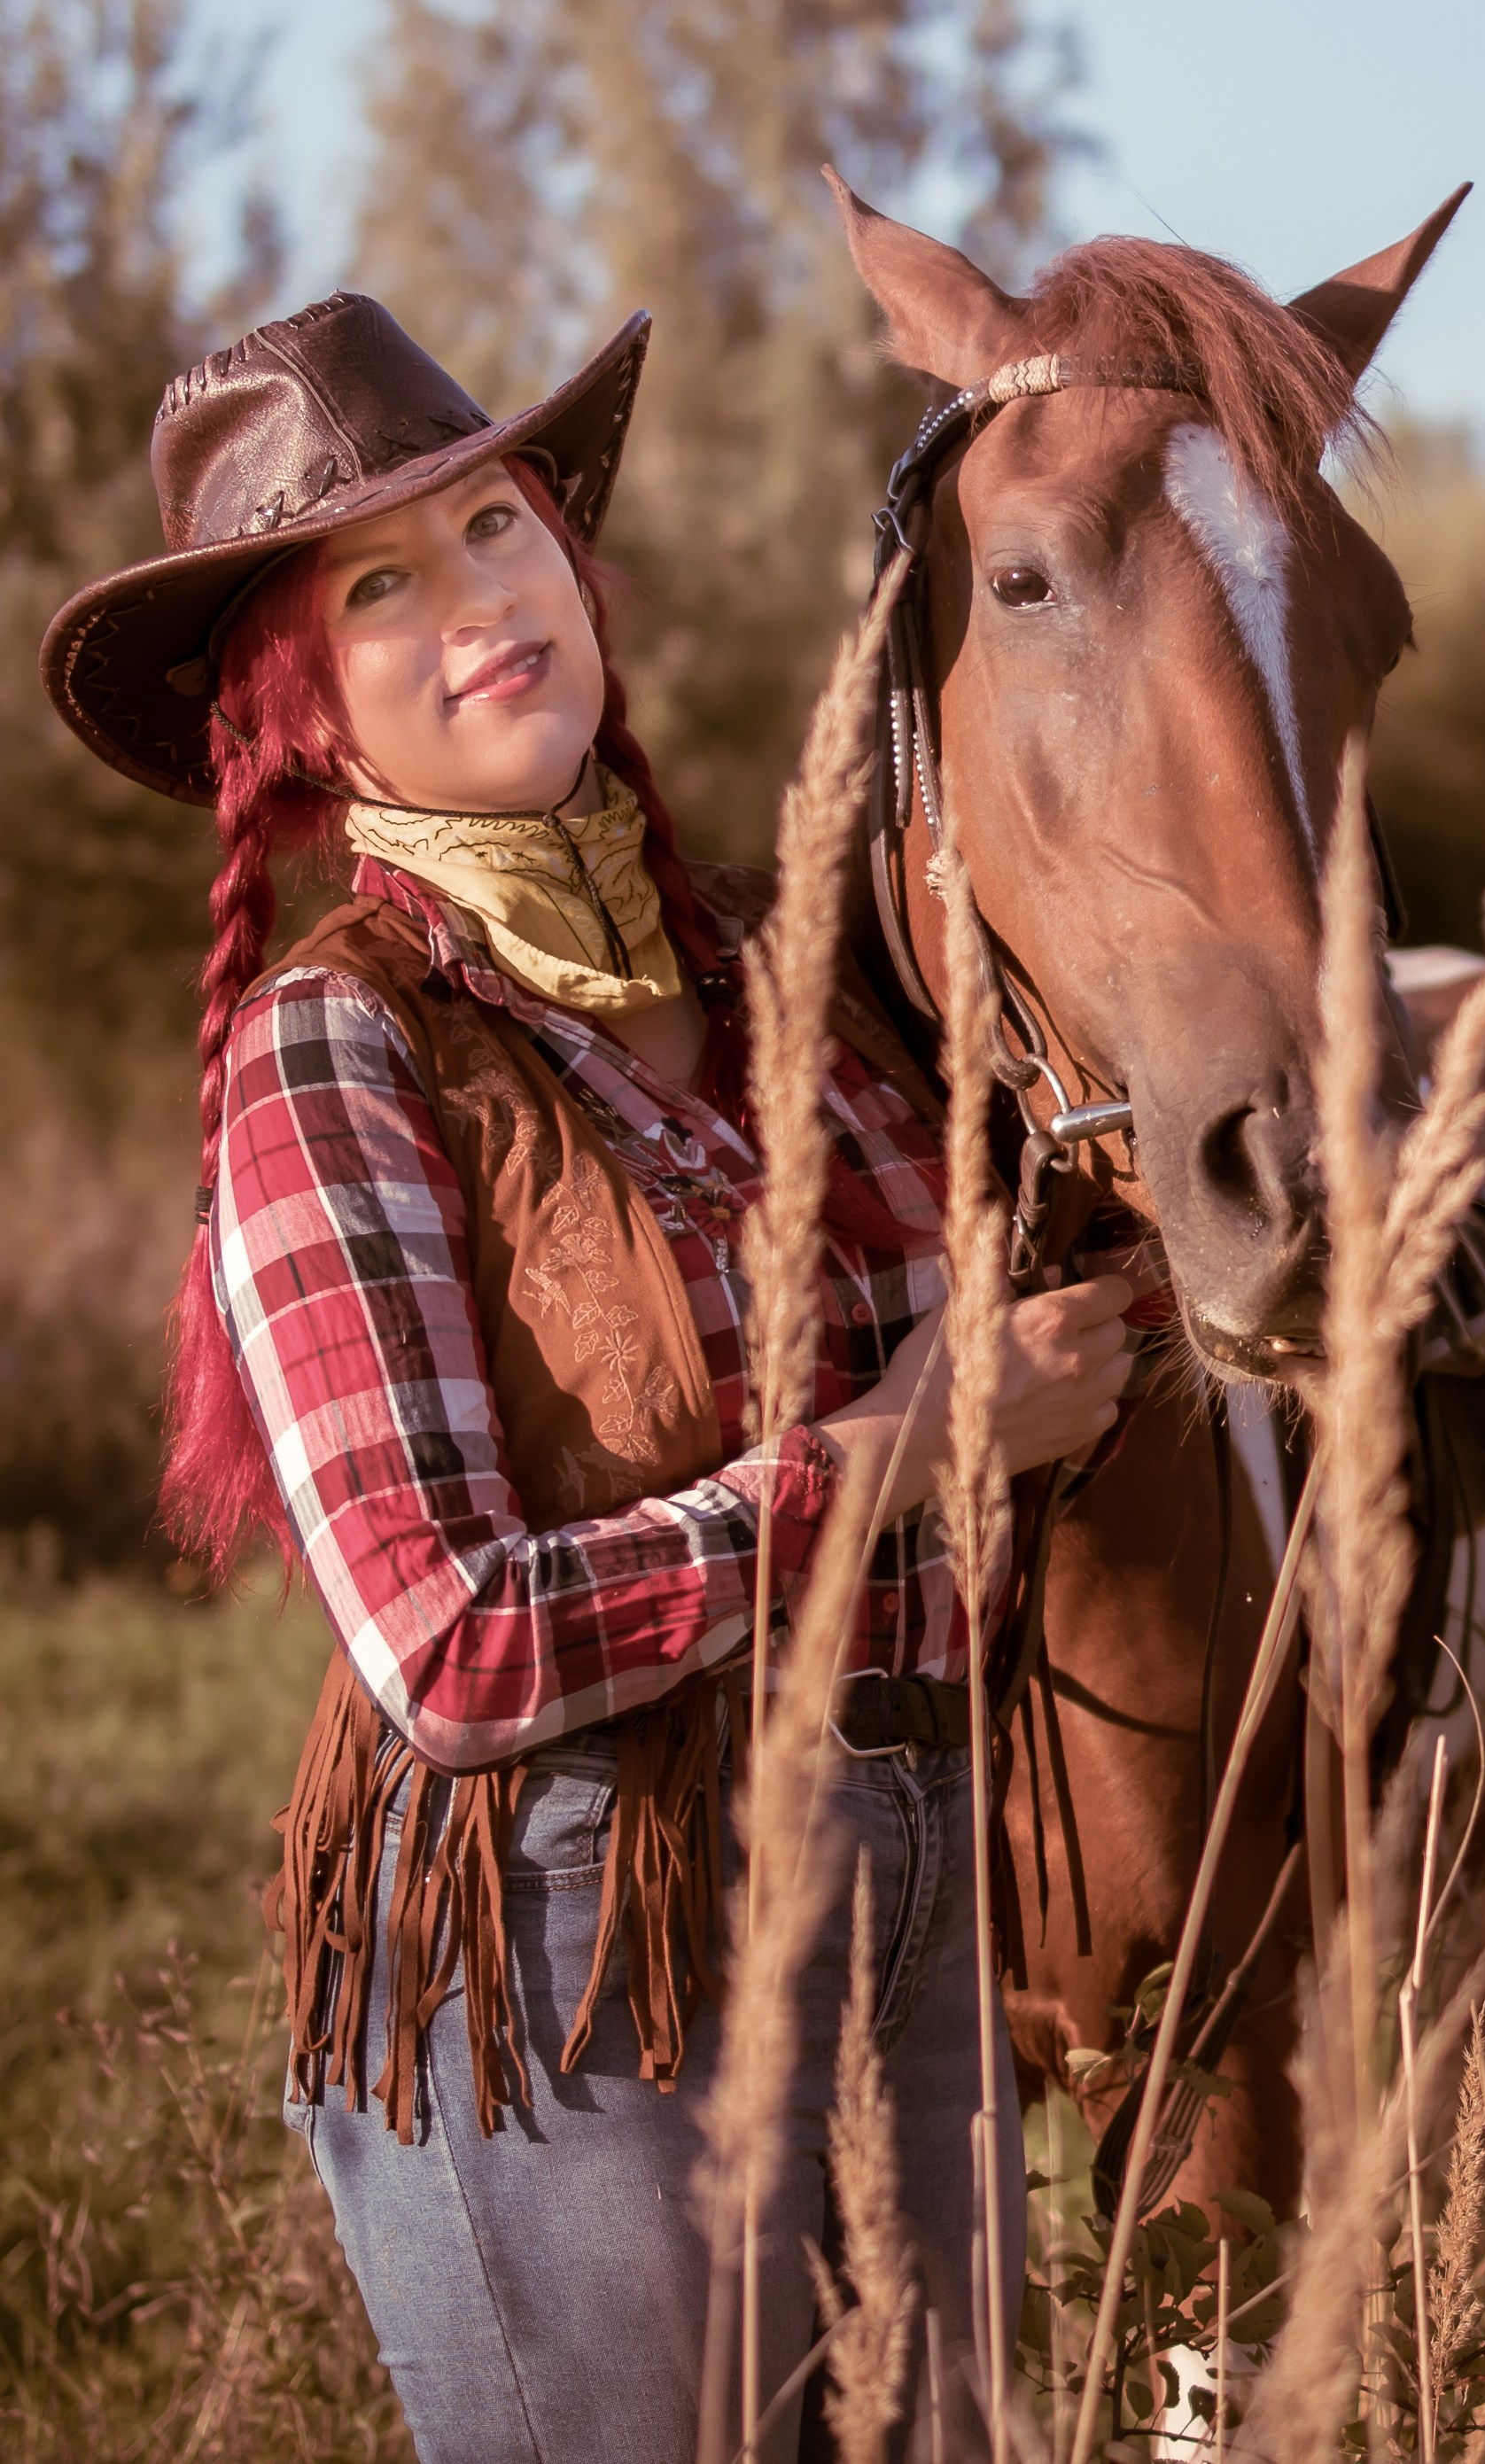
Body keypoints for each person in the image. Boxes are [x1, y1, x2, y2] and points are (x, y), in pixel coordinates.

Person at [41, 290, 1135, 2462]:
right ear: (300, 712)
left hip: (923, 1863)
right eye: (382, 580)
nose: (481, 600)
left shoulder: (788, 965)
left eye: (501, 529)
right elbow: (446, 1645)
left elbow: (1077, 1271)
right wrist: (886, 1456)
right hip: (573, 1913)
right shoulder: (335, 1044)